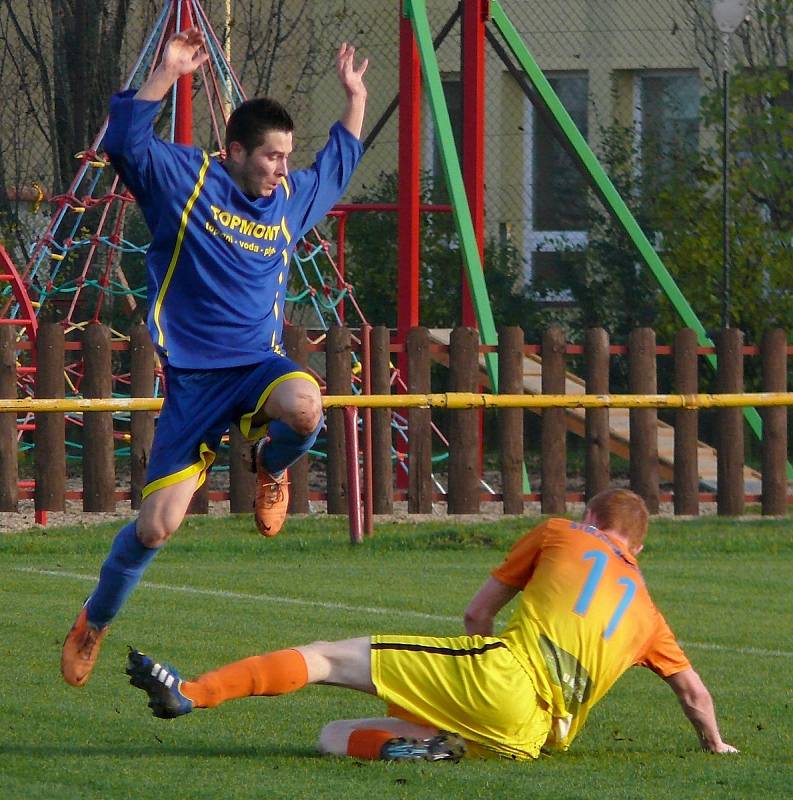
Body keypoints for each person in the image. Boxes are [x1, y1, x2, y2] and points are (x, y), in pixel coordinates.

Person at [61, 27, 369, 688]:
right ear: (233, 152)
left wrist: (355, 97)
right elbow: (123, 142)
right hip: (196, 383)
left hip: (257, 367)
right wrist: (165, 74)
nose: (283, 170)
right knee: (155, 528)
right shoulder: (186, 180)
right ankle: (94, 618)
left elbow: (338, 164)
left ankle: (270, 467)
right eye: (271, 157)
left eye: (287, 157)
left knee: (306, 405)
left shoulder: (287, 199)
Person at [124, 489, 738, 762]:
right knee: (332, 736)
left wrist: (479, 673)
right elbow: (695, 695)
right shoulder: (651, 616)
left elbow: (477, 615)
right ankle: (428, 749)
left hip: (500, 679)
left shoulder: (562, 533)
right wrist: (714, 744)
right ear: (637, 547)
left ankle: (192, 693)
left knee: (326, 659)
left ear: (591, 517)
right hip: (528, 738)